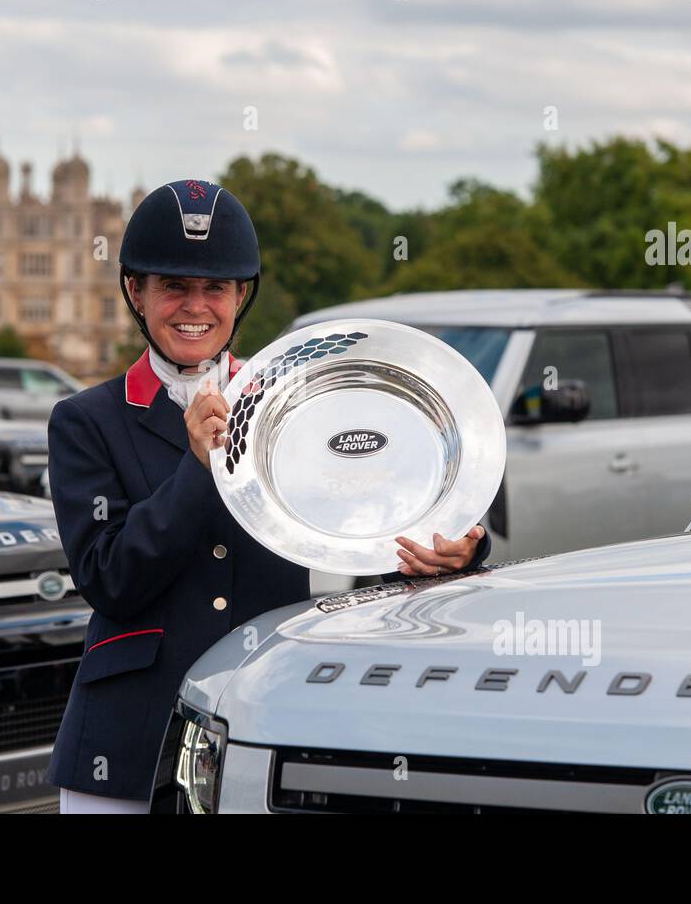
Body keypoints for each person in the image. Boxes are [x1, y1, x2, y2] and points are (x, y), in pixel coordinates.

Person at [46, 178, 491, 813]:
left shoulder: (299, 408)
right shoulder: (87, 420)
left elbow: (373, 512)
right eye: (173, 285)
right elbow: (111, 581)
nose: (194, 306)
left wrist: (454, 548)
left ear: (240, 297)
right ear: (135, 293)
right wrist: (200, 469)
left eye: (215, 288)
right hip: (129, 742)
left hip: (272, 722)